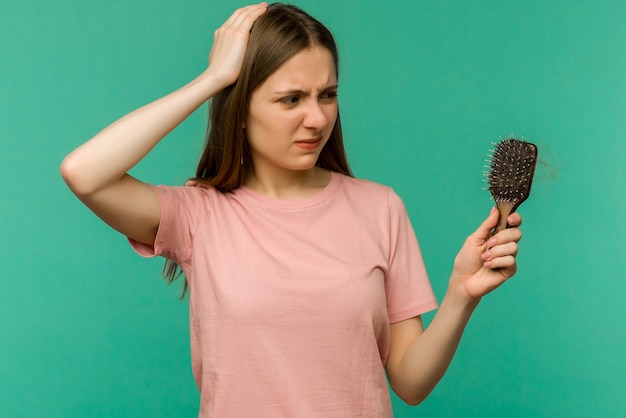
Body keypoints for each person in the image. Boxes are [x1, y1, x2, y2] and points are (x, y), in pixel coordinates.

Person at [60, 2, 523, 417]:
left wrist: (462, 294)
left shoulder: (379, 207)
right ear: (240, 108)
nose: (317, 118)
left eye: (327, 94)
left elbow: (410, 382)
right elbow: (84, 172)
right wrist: (213, 79)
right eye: (290, 99)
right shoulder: (199, 215)